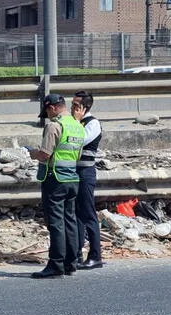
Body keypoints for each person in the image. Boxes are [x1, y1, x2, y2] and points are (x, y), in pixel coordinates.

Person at [28, 94, 85, 278]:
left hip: (55, 180)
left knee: (56, 224)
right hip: (73, 180)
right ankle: (71, 262)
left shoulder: (54, 126)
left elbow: (45, 154)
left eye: (47, 111)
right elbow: (77, 156)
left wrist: (32, 153)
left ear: (52, 107)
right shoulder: (77, 126)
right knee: (70, 220)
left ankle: (56, 264)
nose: (47, 115)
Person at [71, 90, 103, 269]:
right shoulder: (76, 122)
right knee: (77, 215)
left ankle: (95, 256)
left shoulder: (92, 123)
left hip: (86, 173)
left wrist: (75, 122)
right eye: (72, 104)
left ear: (85, 107)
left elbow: (78, 140)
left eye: (76, 105)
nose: (72, 108)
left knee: (88, 214)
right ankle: (76, 254)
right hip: (74, 172)